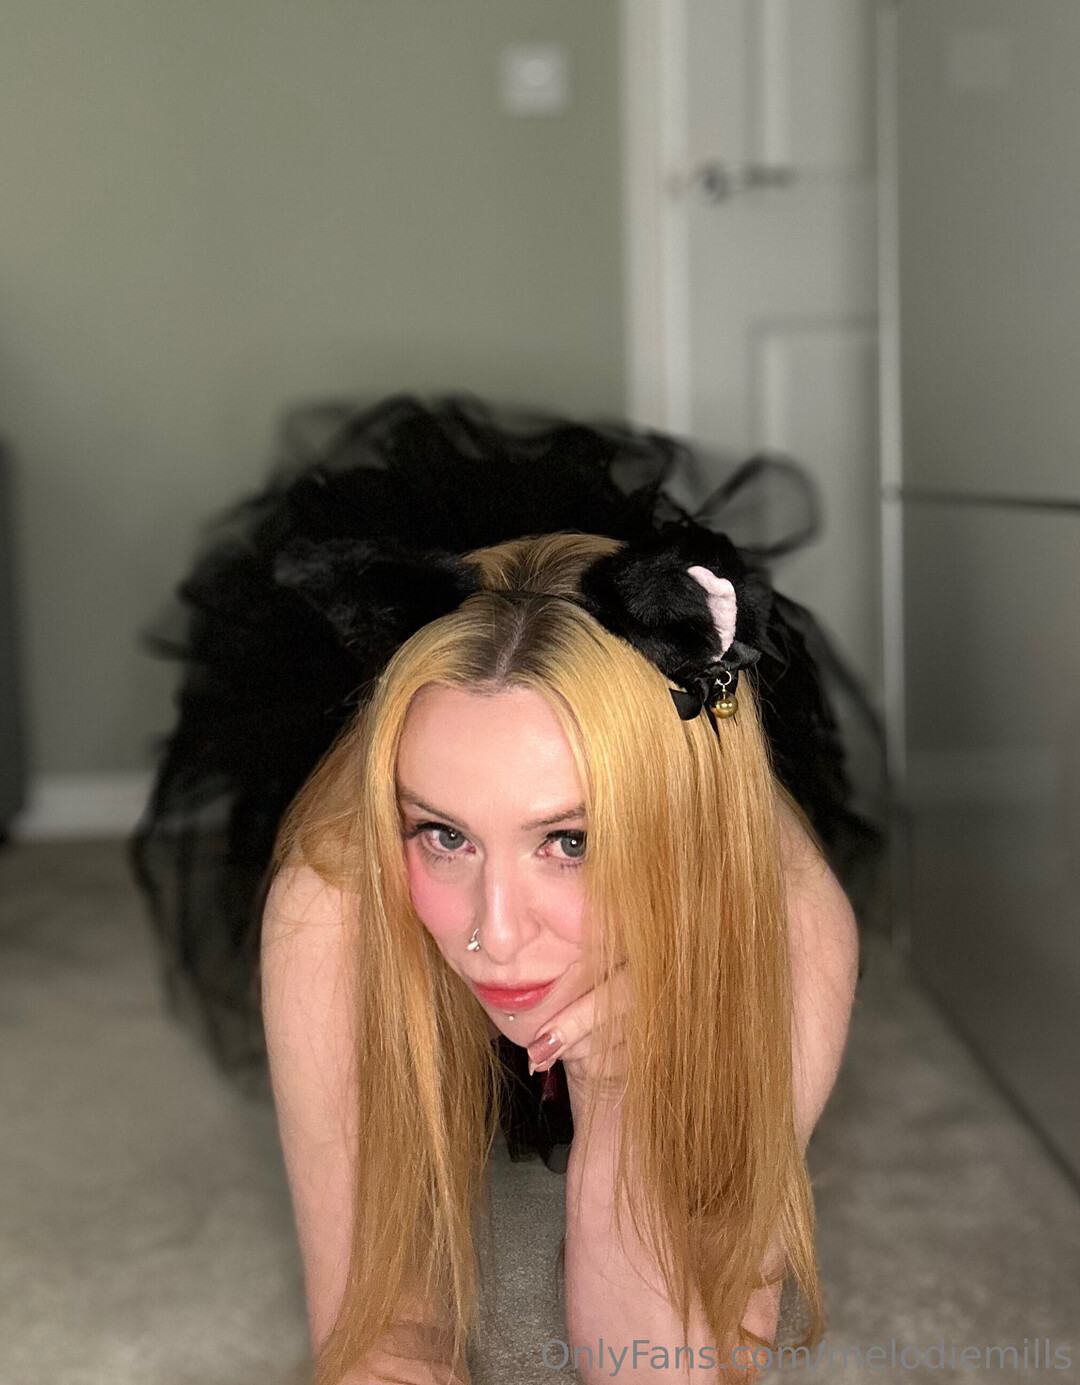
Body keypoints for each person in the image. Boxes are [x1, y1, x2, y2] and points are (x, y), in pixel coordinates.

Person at [130, 397, 879, 1385]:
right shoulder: (334, 893)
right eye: (445, 835)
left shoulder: (786, 919)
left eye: (570, 840)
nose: (495, 935)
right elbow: (377, 1344)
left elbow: (667, 1366)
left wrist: (620, 1096)